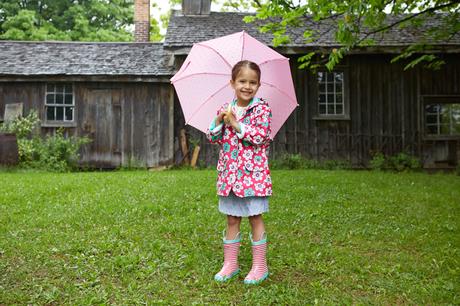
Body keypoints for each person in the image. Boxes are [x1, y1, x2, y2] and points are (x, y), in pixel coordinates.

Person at [207, 60, 272, 285]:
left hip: (253, 176)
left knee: (255, 216)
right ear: (232, 83)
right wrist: (217, 122)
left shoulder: (261, 109)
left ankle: (259, 266)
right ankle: (230, 264)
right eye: (242, 81)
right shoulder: (226, 109)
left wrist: (237, 125)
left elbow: (261, 137)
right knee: (232, 218)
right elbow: (214, 138)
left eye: (252, 82)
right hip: (230, 176)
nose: (247, 86)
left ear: (258, 85)